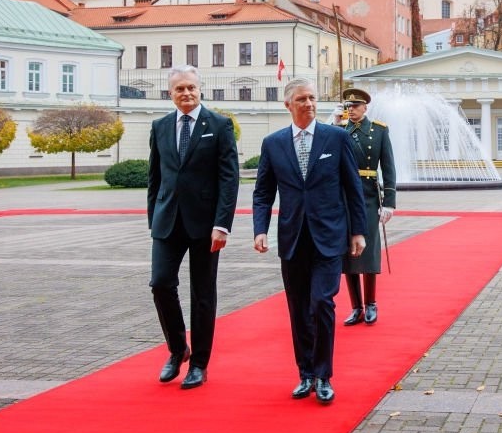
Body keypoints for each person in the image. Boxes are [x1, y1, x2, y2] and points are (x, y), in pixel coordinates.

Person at [252, 78, 367, 404]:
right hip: (292, 239)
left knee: (322, 303)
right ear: (288, 105)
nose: (309, 103)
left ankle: (324, 375)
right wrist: (260, 228)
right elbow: (262, 192)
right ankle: (305, 374)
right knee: (299, 309)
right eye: (302, 99)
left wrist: (358, 231)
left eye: (313, 98)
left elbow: (352, 188)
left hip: (330, 237)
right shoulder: (273, 143)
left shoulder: (337, 137)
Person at [147, 65, 240, 390]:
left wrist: (222, 224)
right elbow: (155, 178)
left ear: (200, 89)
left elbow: (229, 178)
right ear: (170, 93)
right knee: (160, 284)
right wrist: (152, 220)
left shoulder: (219, 124)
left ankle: (199, 363)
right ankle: (177, 349)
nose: (186, 93)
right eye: (179, 89)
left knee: (202, 295)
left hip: (205, 225)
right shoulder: (159, 127)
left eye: (191, 88)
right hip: (167, 222)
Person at [340, 87, 397, 327]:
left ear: (365, 107)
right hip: (344, 196)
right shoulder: (338, 131)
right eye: (348, 107)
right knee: (348, 252)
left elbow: (389, 168)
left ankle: (371, 303)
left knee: (369, 249)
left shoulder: (379, 131)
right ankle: (356, 307)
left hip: (370, 196)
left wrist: (390, 203)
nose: (351, 110)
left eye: (355, 106)